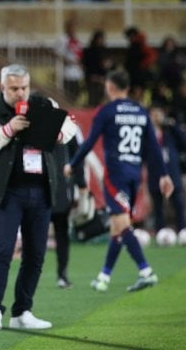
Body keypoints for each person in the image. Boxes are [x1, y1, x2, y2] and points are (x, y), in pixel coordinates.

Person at [0, 64, 77, 330]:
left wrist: (59, 134)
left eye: (24, 88)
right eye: (14, 88)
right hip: (7, 192)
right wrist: (8, 130)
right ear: (2, 87)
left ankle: (22, 312)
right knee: (3, 251)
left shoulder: (43, 103)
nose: (20, 93)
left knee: (36, 254)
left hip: (41, 191)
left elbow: (70, 125)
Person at [64, 69, 174, 293]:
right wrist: (164, 175)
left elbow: (88, 143)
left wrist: (72, 164)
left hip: (116, 176)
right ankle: (104, 277)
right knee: (117, 227)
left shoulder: (107, 111)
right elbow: (153, 147)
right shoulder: (141, 112)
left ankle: (146, 272)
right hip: (135, 176)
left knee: (122, 226)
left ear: (110, 87)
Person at [50, 136, 86, 289]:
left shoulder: (68, 128)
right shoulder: (33, 121)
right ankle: (30, 277)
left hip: (61, 188)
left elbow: (77, 156)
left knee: (62, 231)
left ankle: (62, 274)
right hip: (40, 187)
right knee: (33, 235)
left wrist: (81, 183)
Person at [147, 103, 186, 232]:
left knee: (179, 204)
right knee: (158, 207)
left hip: (172, 173)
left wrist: (172, 124)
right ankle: (161, 232)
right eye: (153, 114)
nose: (156, 117)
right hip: (155, 174)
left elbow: (183, 141)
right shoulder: (146, 134)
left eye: (159, 113)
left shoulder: (170, 132)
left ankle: (182, 230)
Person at [56, 19, 83, 104]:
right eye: (71, 27)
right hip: (67, 72)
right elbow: (58, 53)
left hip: (77, 71)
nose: (73, 29)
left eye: (74, 28)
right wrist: (66, 60)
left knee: (77, 91)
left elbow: (79, 54)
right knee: (68, 92)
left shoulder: (76, 40)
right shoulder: (63, 39)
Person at [82, 30, 111, 107]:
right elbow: (88, 65)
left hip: (99, 78)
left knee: (99, 98)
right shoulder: (92, 51)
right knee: (93, 98)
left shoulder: (102, 50)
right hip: (93, 77)